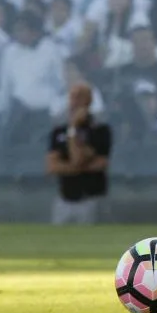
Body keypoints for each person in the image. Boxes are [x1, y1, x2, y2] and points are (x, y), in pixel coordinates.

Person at [46, 84, 112, 224]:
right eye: (73, 97)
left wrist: (74, 128)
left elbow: (87, 161)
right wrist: (81, 168)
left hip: (91, 199)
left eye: (80, 97)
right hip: (65, 198)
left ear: (89, 101)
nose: (75, 102)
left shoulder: (99, 130)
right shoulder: (59, 131)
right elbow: (52, 166)